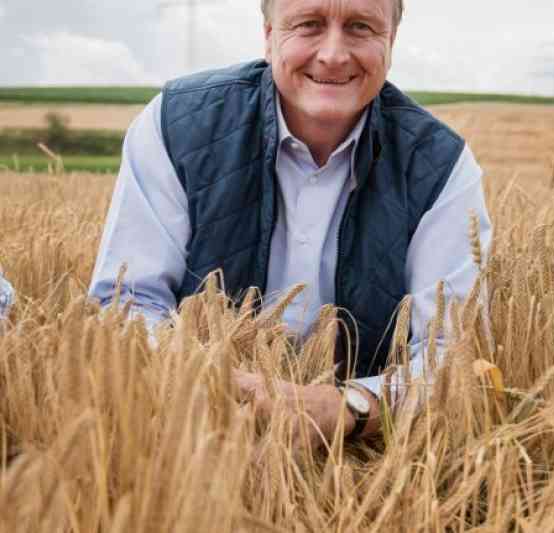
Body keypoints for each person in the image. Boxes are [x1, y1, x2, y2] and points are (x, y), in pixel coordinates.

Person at [88, 0, 491, 447]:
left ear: (390, 42)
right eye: (309, 24)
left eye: (360, 27)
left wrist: (352, 407)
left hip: (365, 462)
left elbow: (451, 355)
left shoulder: (440, 166)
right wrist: (211, 378)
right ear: (268, 34)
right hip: (189, 441)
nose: (334, 54)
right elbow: (124, 302)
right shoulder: (176, 126)